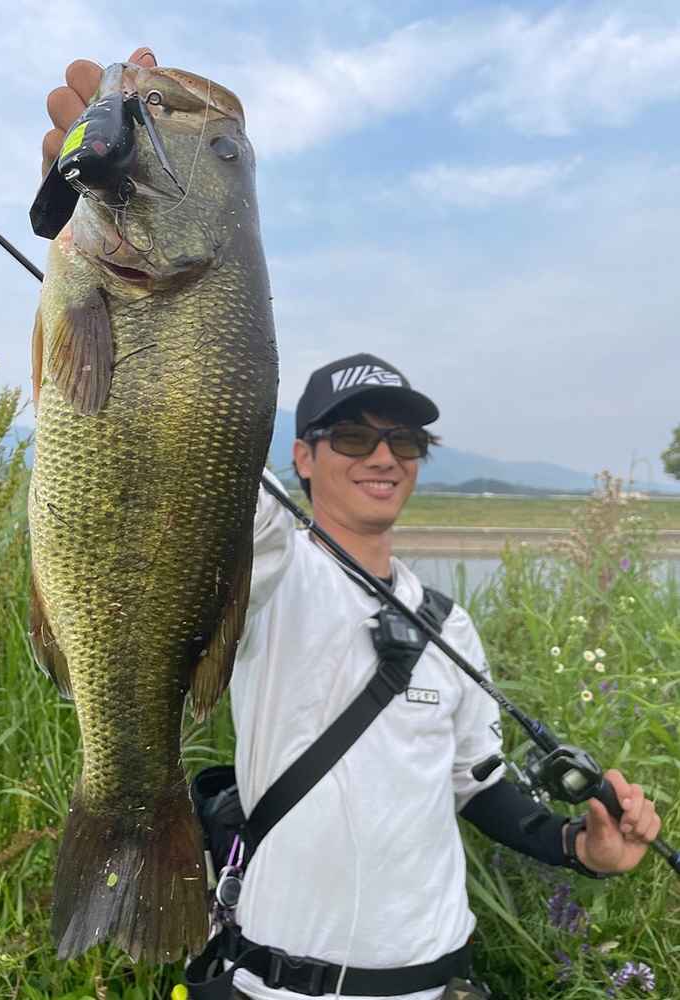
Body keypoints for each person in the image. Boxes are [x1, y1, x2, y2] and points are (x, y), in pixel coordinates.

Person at [44, 54, 661, 1000]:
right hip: (274, 984)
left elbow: (478, 783)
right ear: (301, 456)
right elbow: (175, 460)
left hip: (435, 983)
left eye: (404, 439)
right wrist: (102, 174)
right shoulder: (267, 561)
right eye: (352, 435)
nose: (382, 455)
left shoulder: (450, 626)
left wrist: (582, 846)